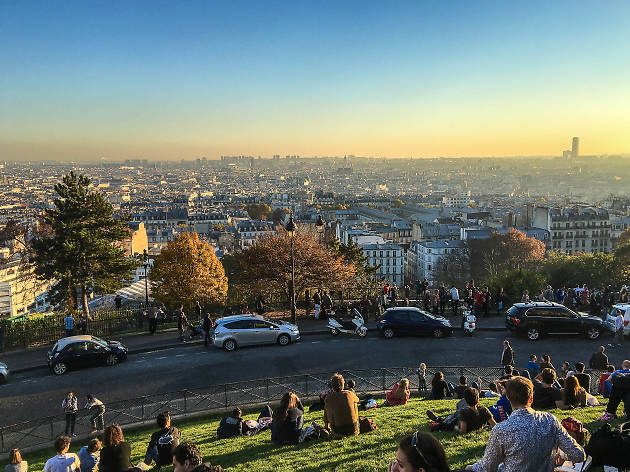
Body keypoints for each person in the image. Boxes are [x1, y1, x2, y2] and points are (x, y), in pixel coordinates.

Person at [465, 376, 586, 472]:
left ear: (508, 398)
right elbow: (579, 455)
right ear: (531, 398)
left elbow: (487, 467)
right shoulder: (550, 420)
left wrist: (471, 467)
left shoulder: (501, 429)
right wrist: (560, 453)